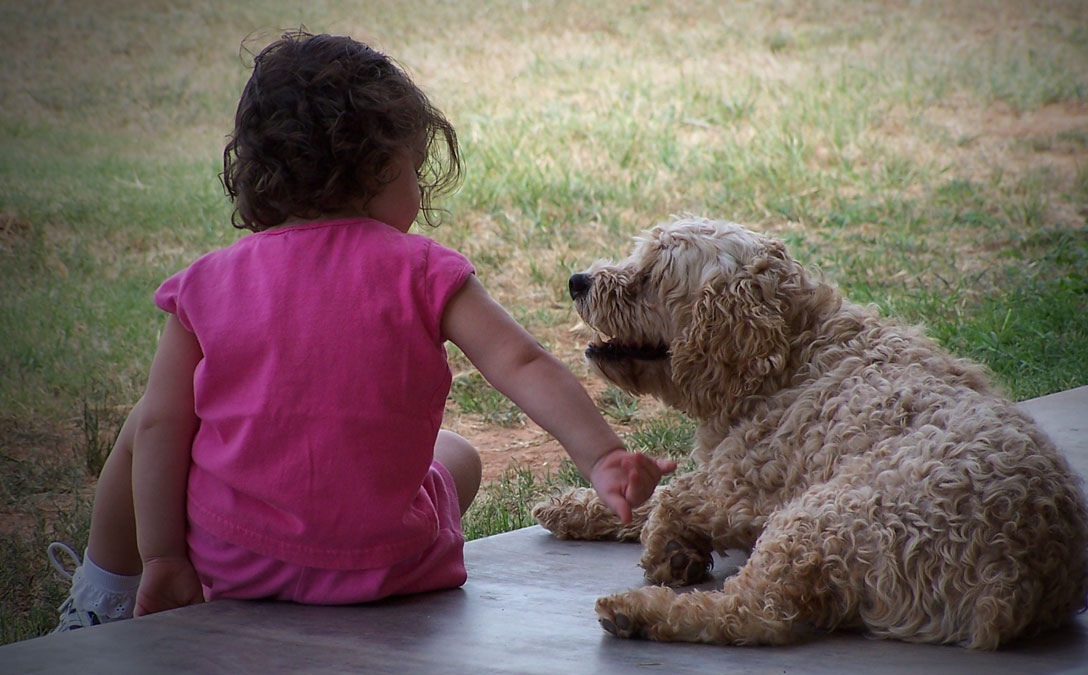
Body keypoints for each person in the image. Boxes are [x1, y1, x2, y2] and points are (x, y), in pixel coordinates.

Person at [48, 29, 675, 632]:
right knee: (457, 453)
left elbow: (162, 428)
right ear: (380, 168)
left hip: (234, 565)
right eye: (414, 171)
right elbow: (524, 363)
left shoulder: (205, 285)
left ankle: (102, 597)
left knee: (145, 421)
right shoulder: (426, 270)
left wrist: (165, 559)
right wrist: (602, 457)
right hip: (390, 569)